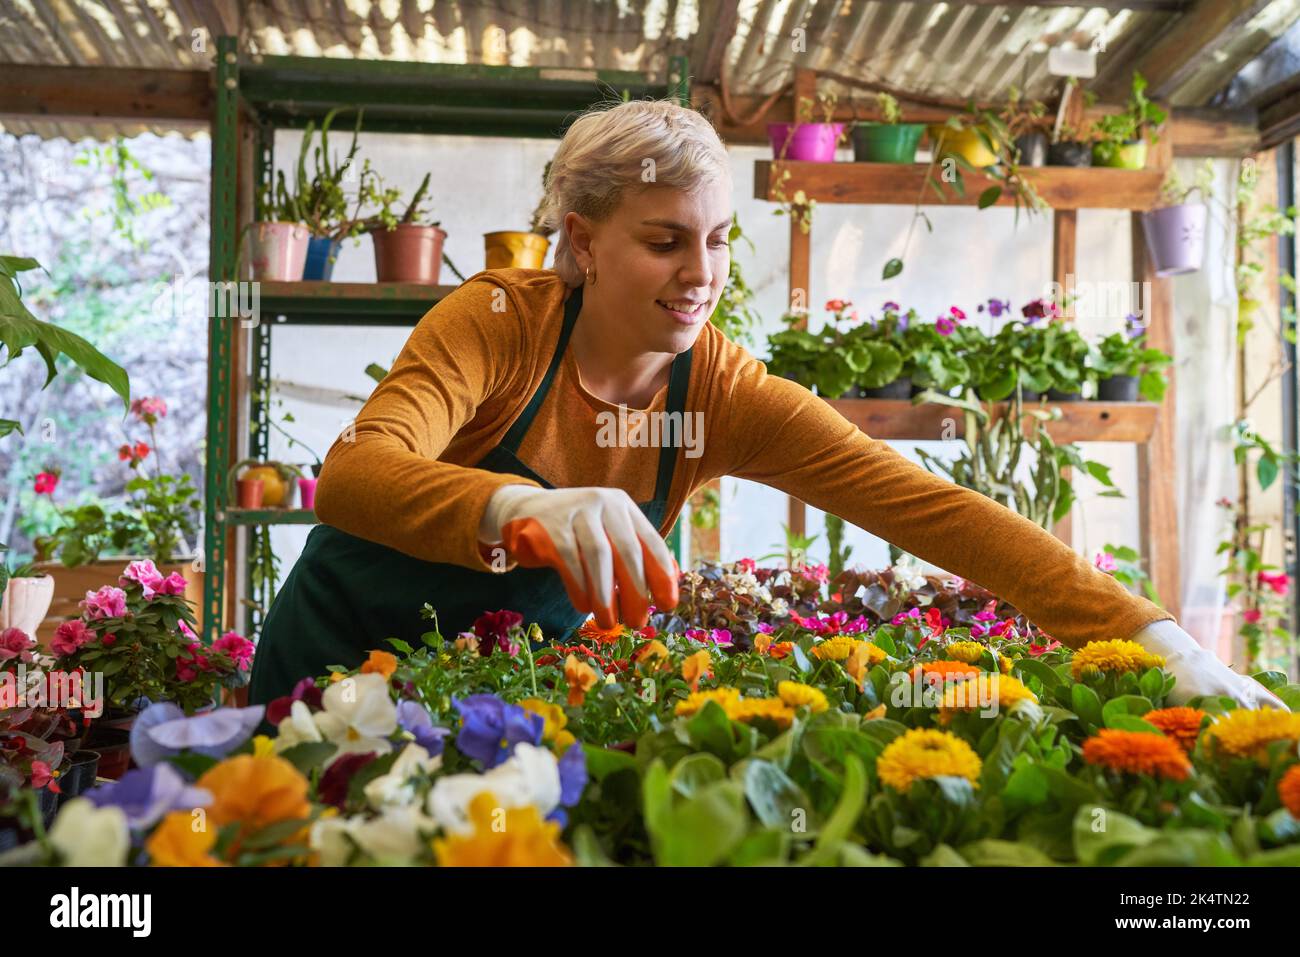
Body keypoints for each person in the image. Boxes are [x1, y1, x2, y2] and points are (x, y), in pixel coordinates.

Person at [247, 98, 1285, 713]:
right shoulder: (499, 323)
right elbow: (355, 476)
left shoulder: (723, 393)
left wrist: (1163, 643)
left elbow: (937, 513)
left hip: (488, 706)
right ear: (582, 241)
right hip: (326, 672)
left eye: (717, 240)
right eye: (664, 240)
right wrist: (522, 507)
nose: (701, 273)